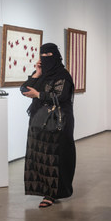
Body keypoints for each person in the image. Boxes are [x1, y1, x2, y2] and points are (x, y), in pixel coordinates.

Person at [20, 43, 76, 208]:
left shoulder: (63, 75)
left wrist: (39, 94)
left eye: (48, 56)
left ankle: (53, 193)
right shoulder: (41, 74)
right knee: (39, 156)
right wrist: (37, 73)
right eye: (42, 56)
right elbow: (24, 89)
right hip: (38, 121)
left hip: (58, 122)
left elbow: (61, 95)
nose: (45, 59)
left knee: (55, 157)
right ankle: (43, 190)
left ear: (56, 56)